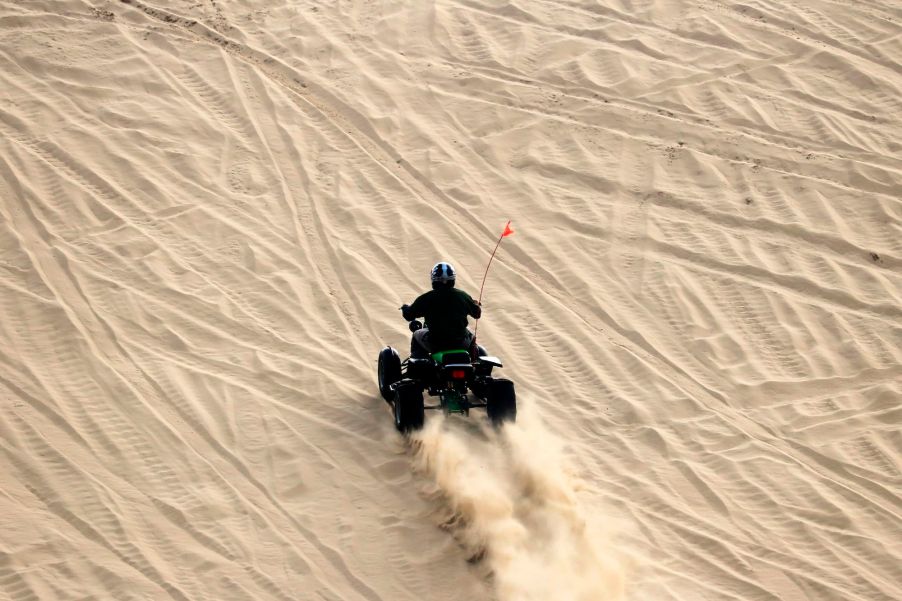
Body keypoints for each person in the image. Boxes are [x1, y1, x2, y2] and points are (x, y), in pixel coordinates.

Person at [401, 262, 482, 358]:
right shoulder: (463, 296)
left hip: (436, 343)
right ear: (453, 279)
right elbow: (477, 314)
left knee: (416, 334)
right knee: (470, 334)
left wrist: (405, 308)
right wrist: (476, 304)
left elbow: (409, 316)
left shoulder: (427, 298)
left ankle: (418, 366)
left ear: (433, 280)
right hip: (460, 342)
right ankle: (474, 362)